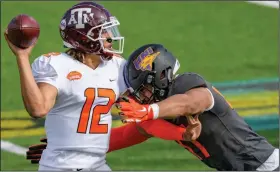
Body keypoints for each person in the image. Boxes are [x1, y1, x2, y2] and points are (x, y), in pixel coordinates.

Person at [29, 43, 279, 171]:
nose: (141, 96)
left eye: (144, 88)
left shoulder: (186, 84)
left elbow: (191, 103)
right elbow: (131, 133)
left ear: (161, 77)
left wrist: (148, 110)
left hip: (265, 165)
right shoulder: (159, 109)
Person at [4, 1, 128, 171]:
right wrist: (22, 57)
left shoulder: (117, 65)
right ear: (84, 37)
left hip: (98, 165)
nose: (110, 36)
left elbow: (141, 112)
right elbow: (38, 109)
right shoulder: (57, 65)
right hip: (61, 167)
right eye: (103, 31)